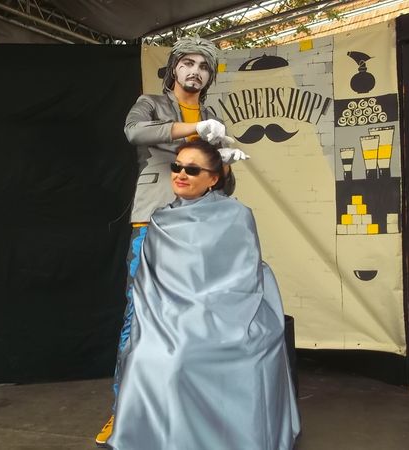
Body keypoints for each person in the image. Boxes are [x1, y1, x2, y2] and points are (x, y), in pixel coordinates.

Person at [96, 36, 249, 446]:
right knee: (139, 317)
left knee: (196, 318)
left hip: (200, 226)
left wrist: (225, 160)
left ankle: (187, 409)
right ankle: (123, 410)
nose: (195, 72)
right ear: (174, 68)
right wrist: (196, 131)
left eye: (204, 66)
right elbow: (135, 133)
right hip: (152, 221)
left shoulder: (214, 115)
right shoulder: (150, 104)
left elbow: (222, 183)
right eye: (189, 63)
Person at [106, 140, 300, 449]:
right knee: (151, 357)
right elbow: (150, 284)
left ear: (214, 178)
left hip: (228, 312)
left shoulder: (236, 215)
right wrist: (168, 319)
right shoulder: (160, 220)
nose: (181, 174)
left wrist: (202, 313)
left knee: (188, 355)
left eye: (192, 169)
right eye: (177, 166)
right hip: (168, 316)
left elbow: (243, 277)